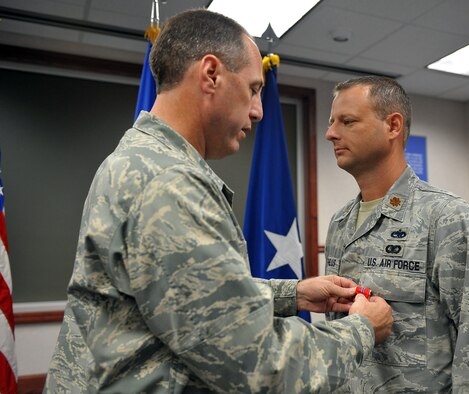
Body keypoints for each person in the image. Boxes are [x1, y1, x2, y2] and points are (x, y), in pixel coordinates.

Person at [44, 9, 394, 393]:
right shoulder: (169, 183)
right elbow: (259, 364)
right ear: (211, 74)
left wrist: (292, 293)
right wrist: (362, 329)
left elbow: (184, 297)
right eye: (253, 89)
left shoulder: (144, 161)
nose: (259, 110)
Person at [324, 76, 469, 393]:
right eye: (331, 123)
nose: (331, 133)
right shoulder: (340, 222)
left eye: (348, 121)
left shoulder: (446, 217)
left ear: (393, 126)